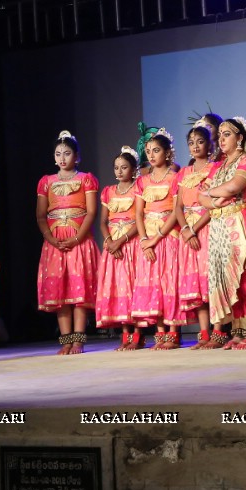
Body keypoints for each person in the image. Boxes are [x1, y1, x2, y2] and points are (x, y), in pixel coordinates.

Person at [198, 116, 246, 349]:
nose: (221, 139)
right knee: (231, 283)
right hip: (220, 229)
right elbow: (201, 196)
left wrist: (214, 194)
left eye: (227, 134)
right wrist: (214, 199)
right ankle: (238, 333)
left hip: (243, 224)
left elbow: (234, 187)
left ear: (240, 137)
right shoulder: (219, 167)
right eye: (219, 135)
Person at [36, 130, 99, 354]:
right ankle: (65, 340)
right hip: (55, 242)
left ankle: (79, 340)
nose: (62, 158)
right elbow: (41, 216)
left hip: (79, 240)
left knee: (79, 292)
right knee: (60, 293)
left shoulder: (86, 179)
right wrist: (52, 239)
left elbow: (91, 212)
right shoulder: (46, 182)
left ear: (77, 157)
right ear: (54, 157)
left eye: (67, 153)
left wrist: (76, 238)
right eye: (58, 154)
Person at [133, 129, 185, 349]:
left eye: (156, 150)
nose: (152, 155)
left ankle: (173, 333)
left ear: (167, 153)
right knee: (153, 283)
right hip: (148, 237)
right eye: (148, 151)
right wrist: (145, 239)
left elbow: (176, 211)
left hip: (168, 234)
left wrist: (157, 237)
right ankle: (160, 332)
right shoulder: (142, 181)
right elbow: (138, 213)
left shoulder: (175, 178)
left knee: (169, 281)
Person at [174, 122, 216, 348]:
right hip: (188, 231)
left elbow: (213, 204)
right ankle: (204, 332)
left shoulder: (215, 168)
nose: (195, 146)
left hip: (206, 227)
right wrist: (185, 229)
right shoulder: (184, 173)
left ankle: (218, 331)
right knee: (196, 286)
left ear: (210, 144)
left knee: (210, 281)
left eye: (200, 141)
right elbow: (177, 207)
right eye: (191, 143)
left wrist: (195, 228)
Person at [97, 147, 143, 349]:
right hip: (113, 247)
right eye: (116, 168)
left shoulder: (138, 189)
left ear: (134, 170)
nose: (119, 171)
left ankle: (138, 335)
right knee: (119, 288)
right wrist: (109, 241)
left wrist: (121, 240)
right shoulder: (108, 192)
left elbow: (138, 220)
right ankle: (125, 335)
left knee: (133, 287)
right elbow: (102, 222)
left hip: (130, 245)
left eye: (124, 167)